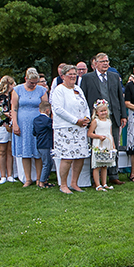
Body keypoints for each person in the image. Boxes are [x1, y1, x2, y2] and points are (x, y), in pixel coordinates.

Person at [79, 53, 127, 185]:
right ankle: (95, 177)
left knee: (113, 144)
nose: (105, 63)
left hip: (113, 116)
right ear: (95, 63)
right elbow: (83, 99)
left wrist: (123, 115)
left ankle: (113, 174)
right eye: (102, 61)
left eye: (107, 61)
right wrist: (86, 117)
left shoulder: (114, 76)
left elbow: (119, 97)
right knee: (97, 146)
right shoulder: (88, 78)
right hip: (96, 118)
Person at [50, 64, 90, 194]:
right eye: (70, 74)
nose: (73, 76)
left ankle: (74, 183)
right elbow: (58, 109)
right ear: (63, 76)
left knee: (80, 156)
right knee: (67, 157)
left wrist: (86, 118)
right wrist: (75, 120)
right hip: (65, 128)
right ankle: (63, 185)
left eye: (75, 74)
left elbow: (85, 105)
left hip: (80, 128)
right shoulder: (59, 90)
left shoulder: (78, 89)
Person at [12, 68, 49, 187]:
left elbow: (46, 106)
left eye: (35, 82)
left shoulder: (42, 90)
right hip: (22, 123)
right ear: (25, 79)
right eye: (31, 82)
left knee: (37, 151)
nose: (33, 85)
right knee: (25, 151)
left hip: (38, 124)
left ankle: (39, 178)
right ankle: (27, 178)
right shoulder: (17, 90)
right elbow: (14, 108)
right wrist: (15, 124)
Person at [88, 100, 116, 191]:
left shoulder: (108, 121)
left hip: (107, 144)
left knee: (105, 164)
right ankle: (97, 184)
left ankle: (104, 183)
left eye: (105, 110)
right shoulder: (95, 121)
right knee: (97, 165)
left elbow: (110, 134)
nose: (104, 113)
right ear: (97, 112)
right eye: (101, 111)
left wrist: (113, 144)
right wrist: (99, 136)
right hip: (98, 144)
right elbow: (90, 133)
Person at [33, 101, 54, 188]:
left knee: (49, 162)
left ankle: (45, 179)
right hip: (46, 143)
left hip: (39, 143)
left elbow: (34, 132)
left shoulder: (35, 120)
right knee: (46, 163)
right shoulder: (48, 120)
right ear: (47, 111)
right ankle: (41, 181)